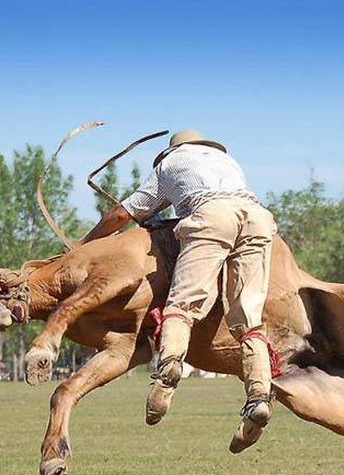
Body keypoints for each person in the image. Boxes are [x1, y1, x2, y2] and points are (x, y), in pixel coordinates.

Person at [80, 129, 277, 452]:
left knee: (182, 308)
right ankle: (258, 395)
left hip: (212, 215)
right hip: (258, 219)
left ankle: (168, 371)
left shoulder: (170, 164)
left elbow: (121, 214)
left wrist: (83, 247)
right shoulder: (227, 161)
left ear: (172, 150)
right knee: (248, 320)